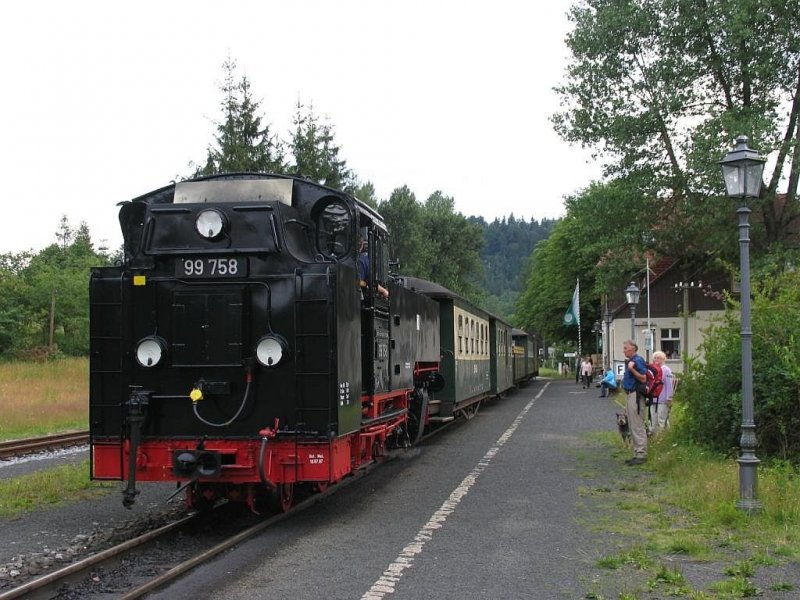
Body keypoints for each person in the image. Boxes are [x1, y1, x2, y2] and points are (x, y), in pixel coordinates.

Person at [621, 340, 647, 465]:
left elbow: (643, 378)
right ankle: (637, 453)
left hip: (636, 395)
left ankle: (641, 454)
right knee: (632, 425)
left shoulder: (637, 360)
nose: (624, 350)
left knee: (637, 425)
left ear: (633, 349)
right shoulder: (632, 361)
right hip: (630, 395)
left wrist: (632, 370)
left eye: (626, 348)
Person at [649, 351, 673, 434]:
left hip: (663, 400)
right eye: (654, 358)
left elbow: (669, 384)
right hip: (654, 399)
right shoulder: (653, 370)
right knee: (653, 420)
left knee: (661, 420)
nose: (656, 359)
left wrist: (669, 398)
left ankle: (662, 438)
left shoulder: (666, 370)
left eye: (658, 358)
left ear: (663, 359)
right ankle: (655, 437)